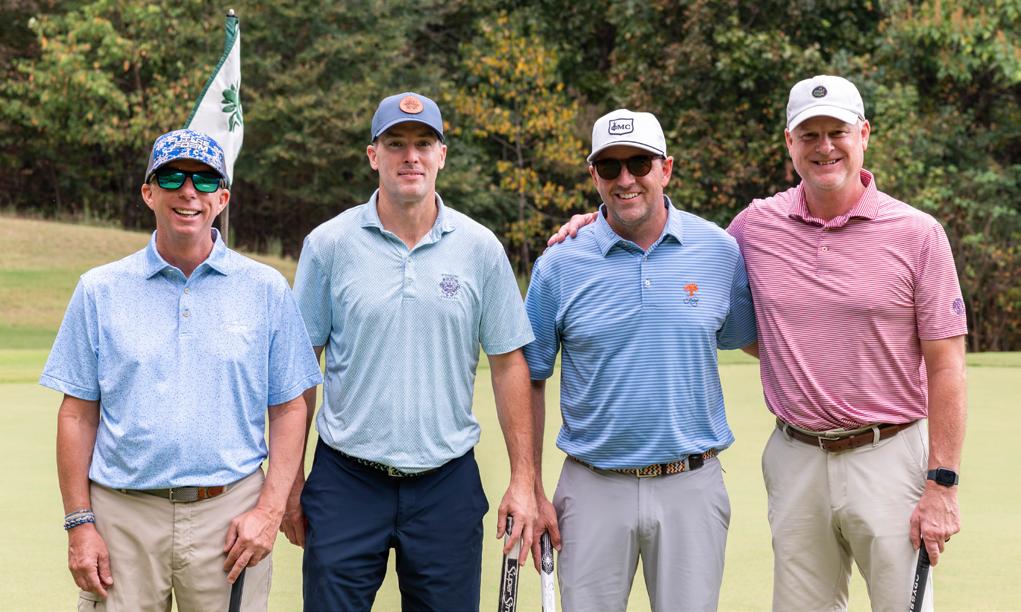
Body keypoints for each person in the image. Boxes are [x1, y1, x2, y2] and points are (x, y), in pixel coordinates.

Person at [550, 75, 968, 611]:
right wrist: (598, 222)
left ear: (863, 134)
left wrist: (943, 483)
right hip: (796, 458)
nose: (824, 147)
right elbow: (679, 252)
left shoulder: (918, 233)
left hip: (888, 453)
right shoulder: (755, 226)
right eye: (809, 135)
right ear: (790, 143)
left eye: (836, 132)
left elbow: (947, 365)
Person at [41, 129, 324, 611]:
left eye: (204, 180)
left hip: (229, 516)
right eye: (171, 177)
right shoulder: (100, 289)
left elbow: (289, 408)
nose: (188, 191)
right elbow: (77, 415)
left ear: (222, 199)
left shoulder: (265, 288)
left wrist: (269, 509)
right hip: (123, 516)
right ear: (148, 193)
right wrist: (79, 524)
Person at [286, 92, 537, 611]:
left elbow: (508, 363)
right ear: (373, 155)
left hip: (446, 483)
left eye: (424, 143)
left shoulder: (480, 248)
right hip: (347, 481)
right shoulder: (329, 245)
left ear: (441, 155)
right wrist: (289, 480)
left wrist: (523, 479)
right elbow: (300, 367)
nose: (411, 156)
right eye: (396, 143)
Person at [525, 109, 757, 611]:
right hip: (591, 486)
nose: (625, 179)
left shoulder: (720, 251)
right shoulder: (559, 263)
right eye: (610, 167)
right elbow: (530, 376)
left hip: (691, 484)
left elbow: (746, 338)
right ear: (594, 175)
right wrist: (530, 485)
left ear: (665, 169)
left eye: (639, 164)